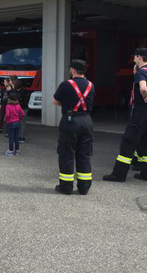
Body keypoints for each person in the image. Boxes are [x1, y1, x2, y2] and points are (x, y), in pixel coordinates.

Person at [103, 48, 147, 183]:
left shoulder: (141, 72)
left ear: (139, 57)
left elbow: (142, 88)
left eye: (134, 57)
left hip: (141, 112)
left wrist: (146, 96)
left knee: (128, 141)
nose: (134, 60)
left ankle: (118, 175)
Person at [52, 60, 95, 195]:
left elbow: (55, 101)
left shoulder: (66, 84)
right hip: (87, 121)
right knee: (84, 154)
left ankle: (66, 187)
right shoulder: (91, 85)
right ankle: (84, 187)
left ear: (73, 70)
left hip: (71, 120)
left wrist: (67, 105)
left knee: (67, 153)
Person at [5, 91, 25, 156]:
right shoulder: (18, 105)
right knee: (16, 137)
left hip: (11, 122)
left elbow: (7, 115)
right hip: (17, 122)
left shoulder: (8, 106)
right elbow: (22, 114)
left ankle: (11, 150)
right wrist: (19, 119)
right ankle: (17, 150)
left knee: (11, 137)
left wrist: (7, 120)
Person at [11, 76, 29, 143]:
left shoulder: (22, 91)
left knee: (22, 123)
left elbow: (25, 101)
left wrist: (18, 103)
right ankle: (19, 135)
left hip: (23, 108)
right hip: (18, 109)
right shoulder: (15, 91)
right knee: (18, 123)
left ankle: (22, 137)